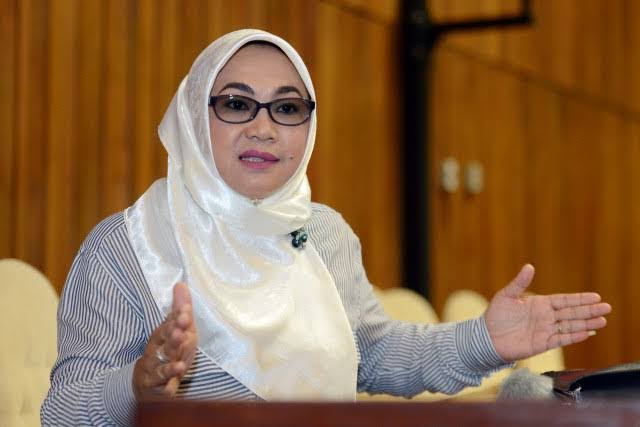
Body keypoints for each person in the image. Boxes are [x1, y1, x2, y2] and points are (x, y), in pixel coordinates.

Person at [41, 29, 611, 426]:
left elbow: (377, 355)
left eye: (287, 108)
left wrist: (486, 339)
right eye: (236, 104)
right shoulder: (127, 247)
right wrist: (136, 387)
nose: (263, 128)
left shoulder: (323, 233)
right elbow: (61, 413)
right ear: (193, 114)